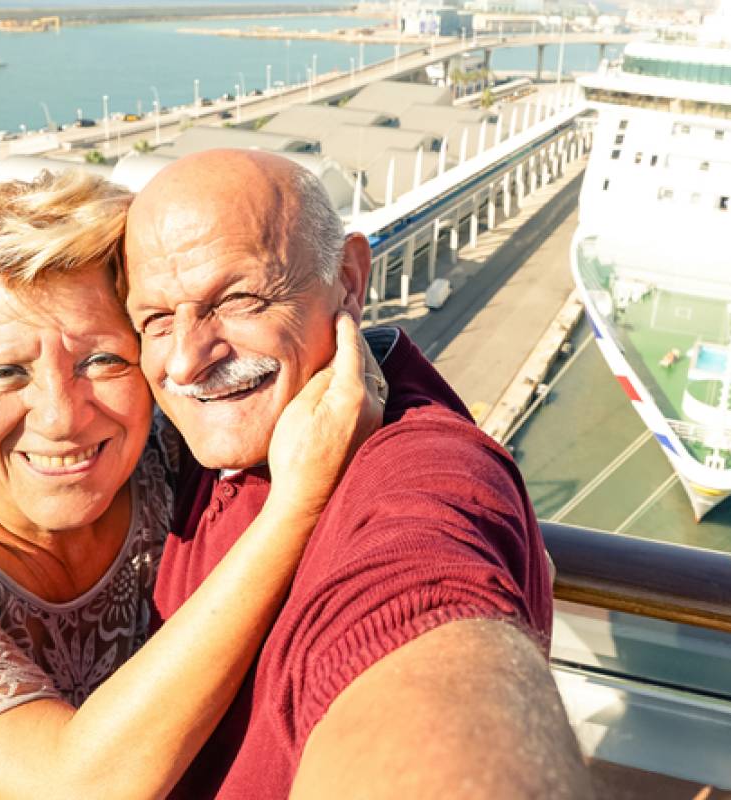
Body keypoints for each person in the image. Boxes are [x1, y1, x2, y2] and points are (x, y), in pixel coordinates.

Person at [0, 171, 381, 799]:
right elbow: (71, 788)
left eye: (102, 361)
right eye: (5, 372)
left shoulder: (159, 457)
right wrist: (295, 506)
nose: (62, 418)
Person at [124, 149, 593, 797]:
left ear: (348, 277)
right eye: (153, 321)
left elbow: (419, 605)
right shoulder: (208, 437)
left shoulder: (420, 471)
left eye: (237, 299)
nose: (184, 362)